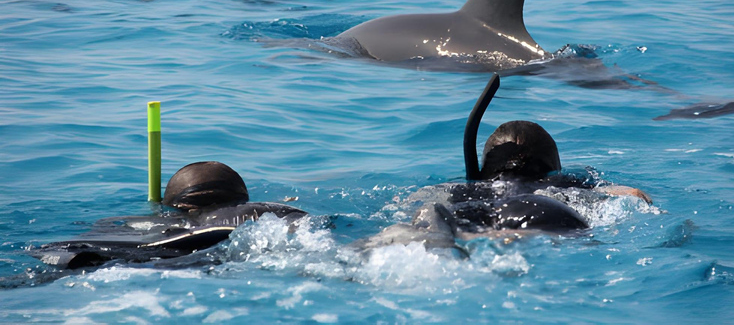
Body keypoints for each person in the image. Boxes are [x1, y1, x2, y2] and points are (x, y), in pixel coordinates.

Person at [357, 74, 651, 251]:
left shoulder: (454, 191)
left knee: (429, 217)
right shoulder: (564, 183)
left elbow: (404, 204)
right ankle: (503, 238)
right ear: (553, 165)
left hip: (458, 215)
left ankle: (467, 238)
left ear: (483, 169)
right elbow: (632, 196)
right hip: (540, 213)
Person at [32, 161, 306, 270]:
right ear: (241, 197)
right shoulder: (263, 212)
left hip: (104, 255)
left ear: (175, 204)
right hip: (202, 257)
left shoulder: (125, 223)